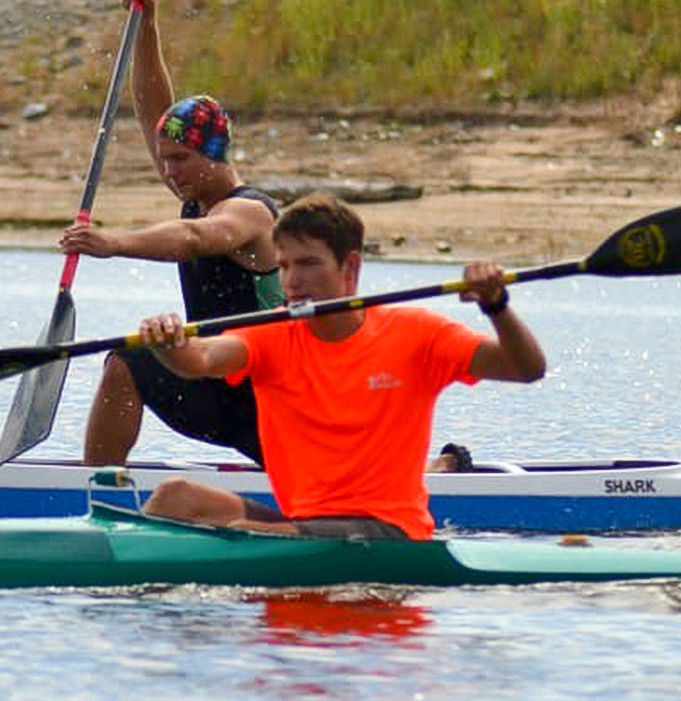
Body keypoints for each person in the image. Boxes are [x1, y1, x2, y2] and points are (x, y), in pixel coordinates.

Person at [135, 194, 546, 540]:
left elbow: (526, 367)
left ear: (350, 267)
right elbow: (199, 360)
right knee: (175, 496)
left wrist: (497, 306)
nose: (291, 280)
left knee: (254, 532)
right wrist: (169, 342)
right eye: (284, 266)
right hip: (302, 525)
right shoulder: (270, 333)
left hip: (387, 530)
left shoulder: (417, 334)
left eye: (308, 264)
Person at [58, 0, 281, 466]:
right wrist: (148, 26)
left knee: (130, 358)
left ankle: (442, 470)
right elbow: (152, 108)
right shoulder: (195, 187)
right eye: (164, 159)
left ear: (214, 154)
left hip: (274, 402)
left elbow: (197, 238)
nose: (168, 171)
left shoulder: (250, 211)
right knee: (129, 364)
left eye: (179, 160)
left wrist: (114, 243)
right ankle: (101, 484)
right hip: (220, 385)